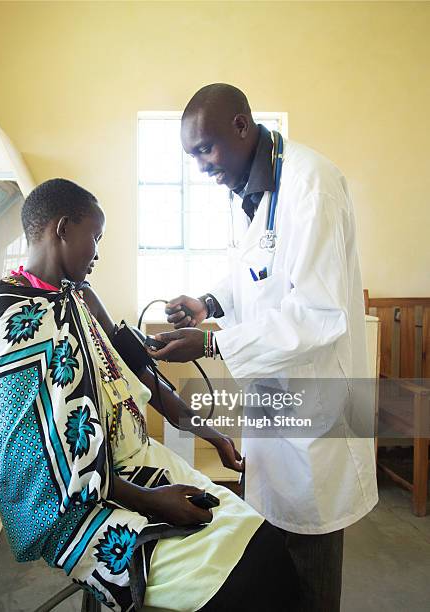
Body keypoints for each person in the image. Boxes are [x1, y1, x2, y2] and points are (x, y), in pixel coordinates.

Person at [0, 178, 299, 611]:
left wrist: (213, 436)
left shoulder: (79, 297)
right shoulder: (7, 318)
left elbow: (142, 374)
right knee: (245, 583)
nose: (98, 253)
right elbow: (34, 464)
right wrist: (152, 501)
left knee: (266, 548)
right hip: (75, 506)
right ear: (64, 229)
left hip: (133, 464)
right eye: (95, 237)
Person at [149, 84, 378, 611]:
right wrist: (209, 303)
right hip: (278, 405)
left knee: (312, 558)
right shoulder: (252, 191)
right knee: (278, 553)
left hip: (318, 412)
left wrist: (211, 346)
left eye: (205, 149)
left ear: (240, 126)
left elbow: (319, 315)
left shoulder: (310, 185)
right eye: (192, 156)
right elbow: (254, 278)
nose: (203, 166)